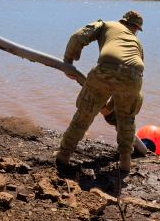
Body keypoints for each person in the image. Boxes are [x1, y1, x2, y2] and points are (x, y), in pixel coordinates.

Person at [54, 10, 144, 173]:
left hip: (105, 70)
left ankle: (64, 155)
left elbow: (78, 36)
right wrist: (111, 107)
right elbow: (130, 77)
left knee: (85, 114)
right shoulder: (137, 43)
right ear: (136, 28)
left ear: (122, 21)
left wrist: (68, 61)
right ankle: (125, 161)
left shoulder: (106, 25)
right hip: (134, 77)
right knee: (126, 118)